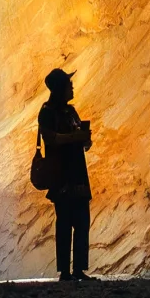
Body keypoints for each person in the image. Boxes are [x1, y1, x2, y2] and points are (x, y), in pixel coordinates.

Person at [38, 67, 96, 281]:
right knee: (64, 222)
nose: (72, 88)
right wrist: (74, 138)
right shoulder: (47, 112)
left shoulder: (71, 111)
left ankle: (79, 269)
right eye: (69, 85)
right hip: (61, 174)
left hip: (77, 172)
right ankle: (65, 271)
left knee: (81, 221)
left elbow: (82, 142)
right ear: (60, 88)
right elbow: (49, 138)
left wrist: (85, 139)